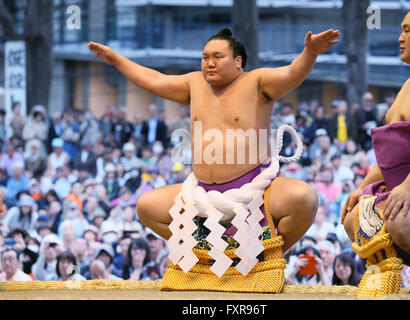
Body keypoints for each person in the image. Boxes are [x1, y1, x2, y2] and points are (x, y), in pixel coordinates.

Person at [89, 27, 339, 287]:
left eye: (218, 56)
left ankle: (263, 256)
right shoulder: (194, 83)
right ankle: (206, 256)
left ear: (238, 61)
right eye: (205, 56)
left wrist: (310, 52)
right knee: (147, 207)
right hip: (202, 196)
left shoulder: (258, 82)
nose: (209, 62)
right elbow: (154, 79)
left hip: (255, 193)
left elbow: (291, 73)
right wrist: (117, 59)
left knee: (304, 198)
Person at [342, 0, 410, 293]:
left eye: (406, 30)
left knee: (402, 220)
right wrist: (361, 186)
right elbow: (395, 157)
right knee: (355, 218)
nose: (399, 38)